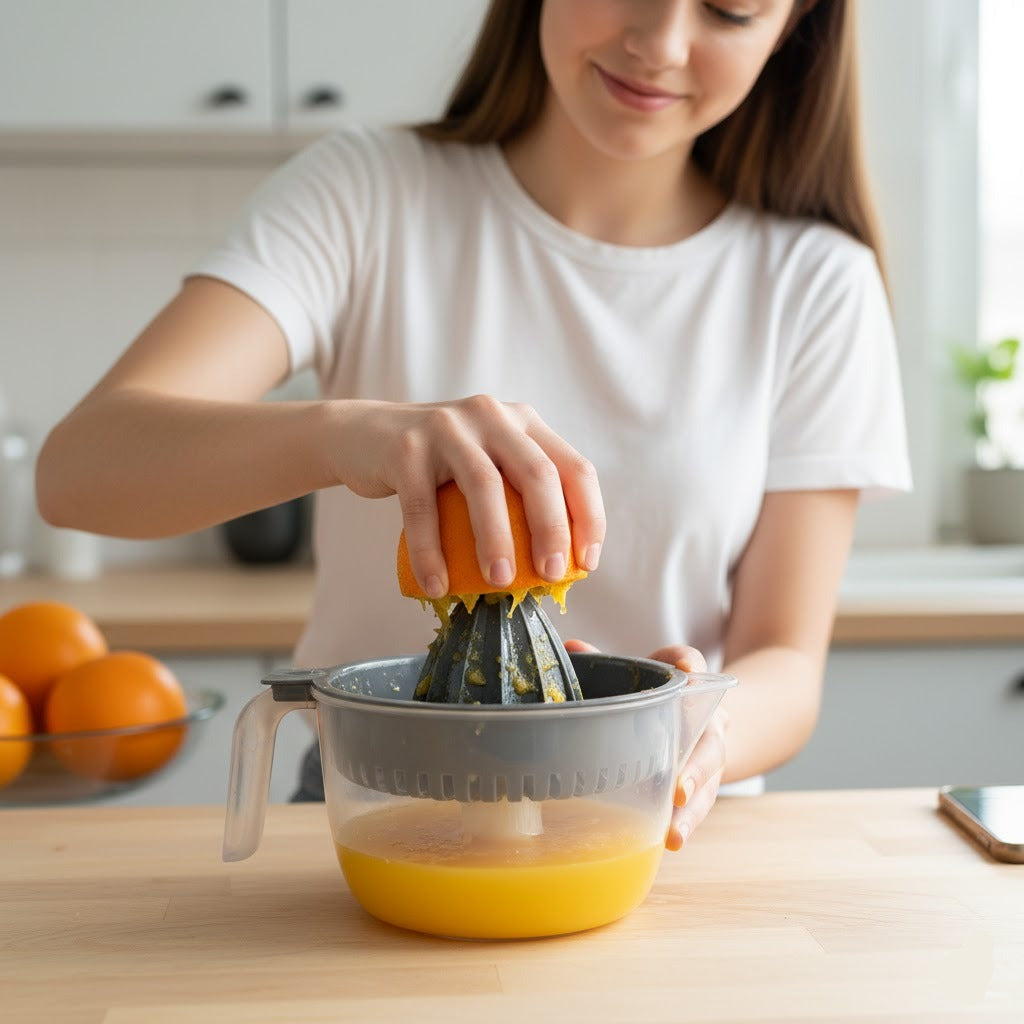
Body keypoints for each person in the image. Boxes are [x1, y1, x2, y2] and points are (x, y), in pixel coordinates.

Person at [36, 0, 911, 848]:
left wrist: (698, 726)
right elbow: (79, 472)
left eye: (728, 9)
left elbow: (786, 661)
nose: (661, 42)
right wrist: (349, 434)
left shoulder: (815, 282)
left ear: (792, 27)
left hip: (661, 826)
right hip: (373, 811)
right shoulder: (366, 193)